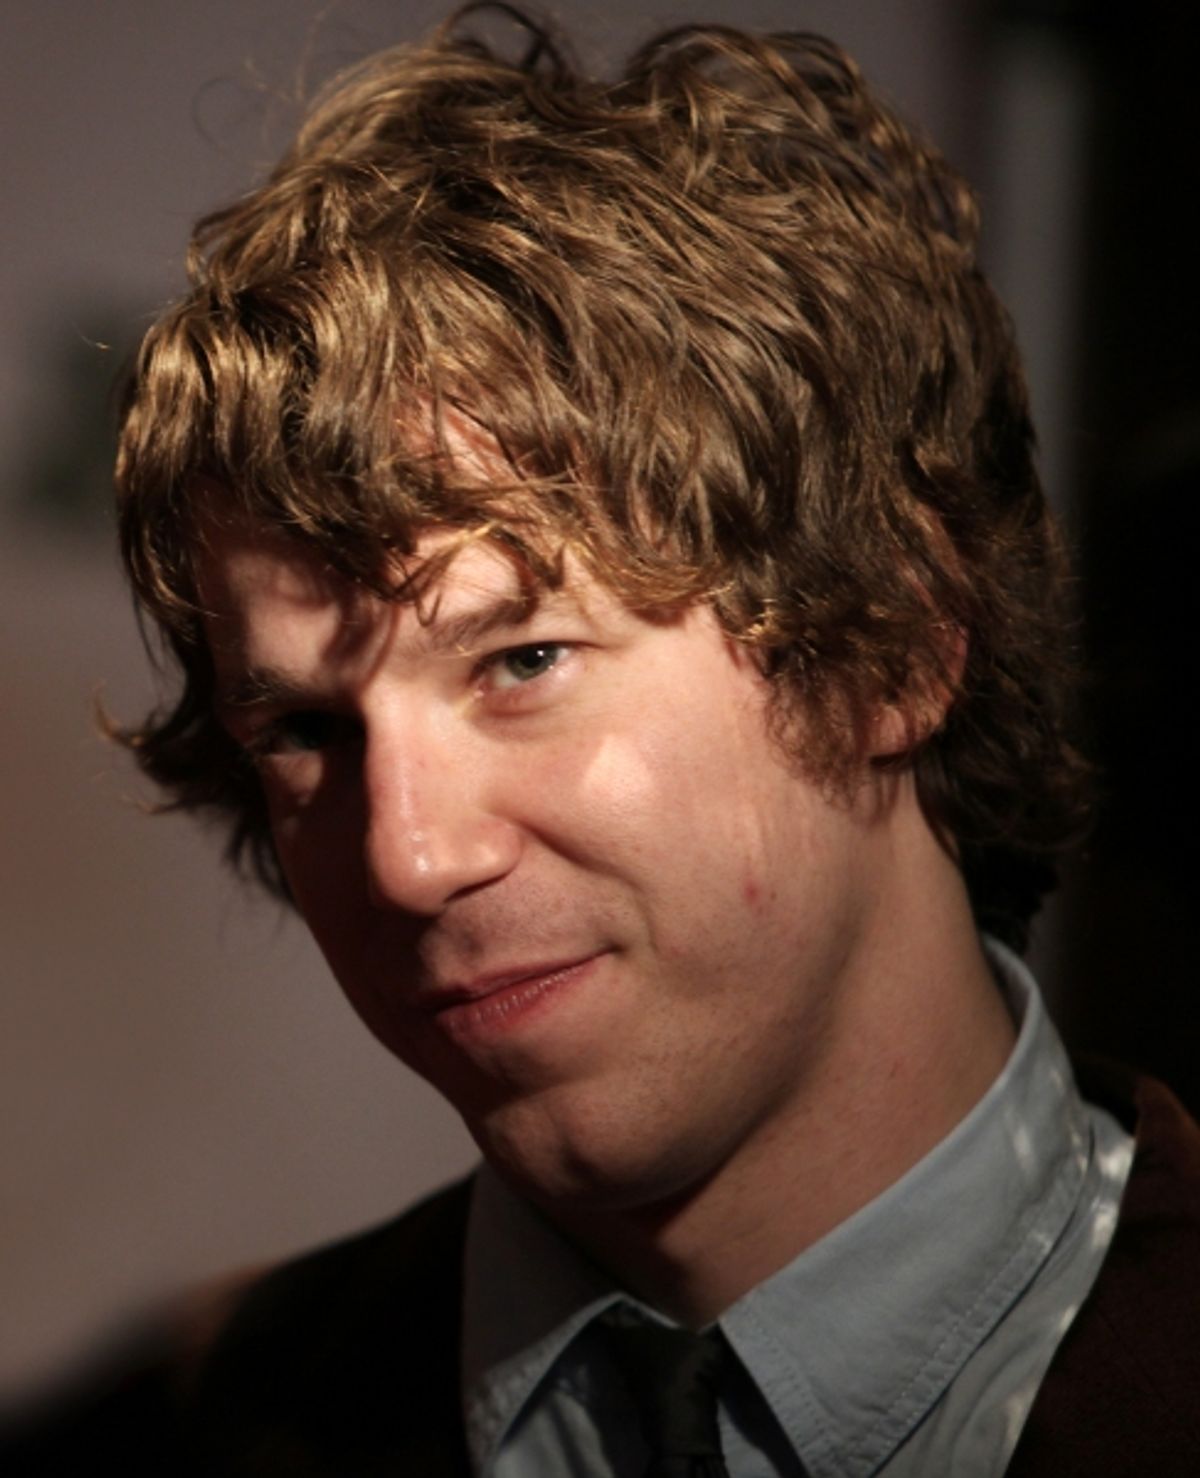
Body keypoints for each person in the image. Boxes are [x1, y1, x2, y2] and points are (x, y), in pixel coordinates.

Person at [8, 6, 1200, 1474]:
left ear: (892, 645)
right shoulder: (207, 1431)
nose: (410, 854)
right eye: (308, 729)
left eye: (523, 660)